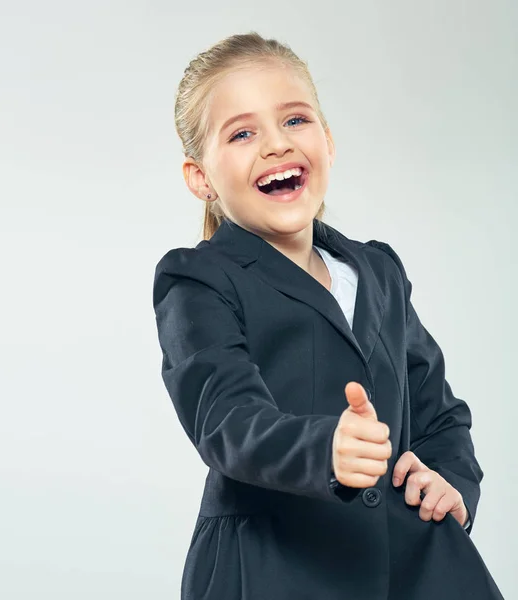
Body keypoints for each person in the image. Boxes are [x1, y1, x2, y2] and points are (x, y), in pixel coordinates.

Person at [152, 31, 503, 599]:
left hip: (413, 567)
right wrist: (324, 450)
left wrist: (452, 480)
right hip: (272, 570)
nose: (275, 145)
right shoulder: (197, 280)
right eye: (242, 133)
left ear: (329, 142)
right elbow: (226, 420)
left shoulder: (378, 271)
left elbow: (440, 414)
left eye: (295, 120)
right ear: (201, 178)